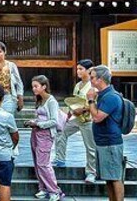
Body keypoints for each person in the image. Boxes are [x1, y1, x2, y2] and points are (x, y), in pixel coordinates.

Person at [86, 65, 126, 201]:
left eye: (92, 78)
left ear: (100, 79)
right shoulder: (104, 95)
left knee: (115, 177)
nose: (90, 80)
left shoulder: (111, 97)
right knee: (108, 178)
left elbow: (97, 117)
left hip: (111, 143)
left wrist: (91, 99)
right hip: (103, 142)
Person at [54, 59, 97, 182]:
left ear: (89, 70)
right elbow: (74, 102)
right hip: (76, 118)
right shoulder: (78, 85)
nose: (78, 71)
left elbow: (96, 103)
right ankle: (60, 159)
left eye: (81, 69)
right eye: (77, 69)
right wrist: (68, 115)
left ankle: (91, 172)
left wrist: (83, 109)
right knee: (61, 131)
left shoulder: (93, 85)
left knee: (90, 147)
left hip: (88, 120)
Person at [26, 75, 63, 201]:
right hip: (36, 133)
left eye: (36, 86)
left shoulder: (51, 101)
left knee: (43, 163)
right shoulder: (40, 99)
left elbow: (54, 121)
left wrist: (38, 124)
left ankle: (54, 190)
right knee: (37, 162)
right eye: (33, 87)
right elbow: (40, 117)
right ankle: (43, 188)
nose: (34, 89)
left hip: (46, 134)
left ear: (44, 86)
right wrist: (33, 122)